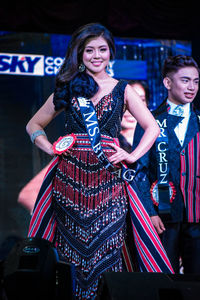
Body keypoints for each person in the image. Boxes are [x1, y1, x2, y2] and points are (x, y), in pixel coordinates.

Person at [25, 23, 173, 299]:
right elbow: (34, 124)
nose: (96, 55)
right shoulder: (69, 87)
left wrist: (131, 155)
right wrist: (48, 147)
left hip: (109, 185)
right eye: (89, 50)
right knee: (69, 252)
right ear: (79, 54)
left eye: (102, 49)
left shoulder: (122, 89)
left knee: (107, 248)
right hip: (69, 183)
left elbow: (152, 128)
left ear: (110, 52)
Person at [132, 54, 200, 274]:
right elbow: (139, 173)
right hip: (162, 217)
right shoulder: (150, 121)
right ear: (167, 83)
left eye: (196, 81)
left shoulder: (199, 121)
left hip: (197, 217)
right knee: (164, 283)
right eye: (185, 80)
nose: (192, 87)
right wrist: (150, 212)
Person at [119, 80, 149, 153]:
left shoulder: (158, 139)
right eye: (127, 100)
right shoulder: (106, 141)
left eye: (141, 100)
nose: (133, 109)